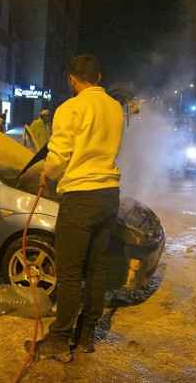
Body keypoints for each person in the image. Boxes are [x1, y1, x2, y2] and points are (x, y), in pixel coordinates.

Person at [27, 54, 124, 363]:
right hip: (108, 195)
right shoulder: (114, 107)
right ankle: (86, 336)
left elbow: (58, 155)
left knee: (69, 273)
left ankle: (58, 340)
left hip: (80, 196)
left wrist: (48, 174)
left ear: (72, 79)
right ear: (99, 76)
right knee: (97, 268)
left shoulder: (71, 107)